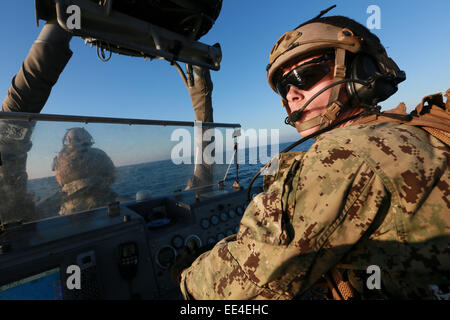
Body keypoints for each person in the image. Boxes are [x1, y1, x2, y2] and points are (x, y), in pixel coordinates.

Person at [172, 14, 450, 300]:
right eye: (284, 86)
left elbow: (240, 284)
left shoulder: (346, 155)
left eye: (306, 76)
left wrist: (184, 277)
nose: (292, 94)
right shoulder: (404, 130)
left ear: (360, 73)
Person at [52, 127, 117, 215]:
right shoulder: (99, 154)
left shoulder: (59, 160)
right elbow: (113, 176)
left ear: (67, 141)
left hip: (71, 211)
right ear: (88, 138)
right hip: (103, 205)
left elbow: (61, 182)